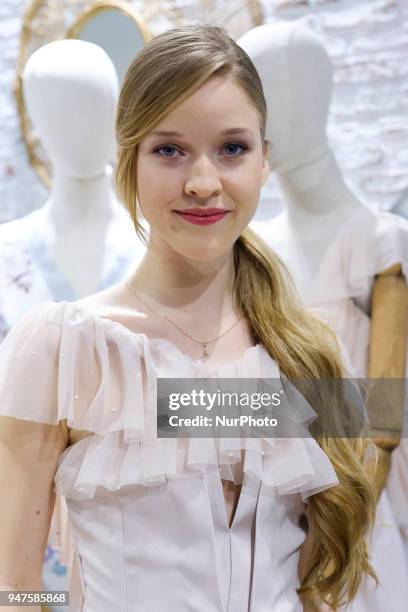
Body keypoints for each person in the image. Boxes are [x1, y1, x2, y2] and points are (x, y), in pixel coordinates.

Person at [0, 25, 377, 612]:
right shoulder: (62, 349)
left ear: (263, 160)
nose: (204, 183)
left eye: (232, 148)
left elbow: (321, 585)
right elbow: (13, 587)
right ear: (128, 161)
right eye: (169, 150)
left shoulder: (309, 352)